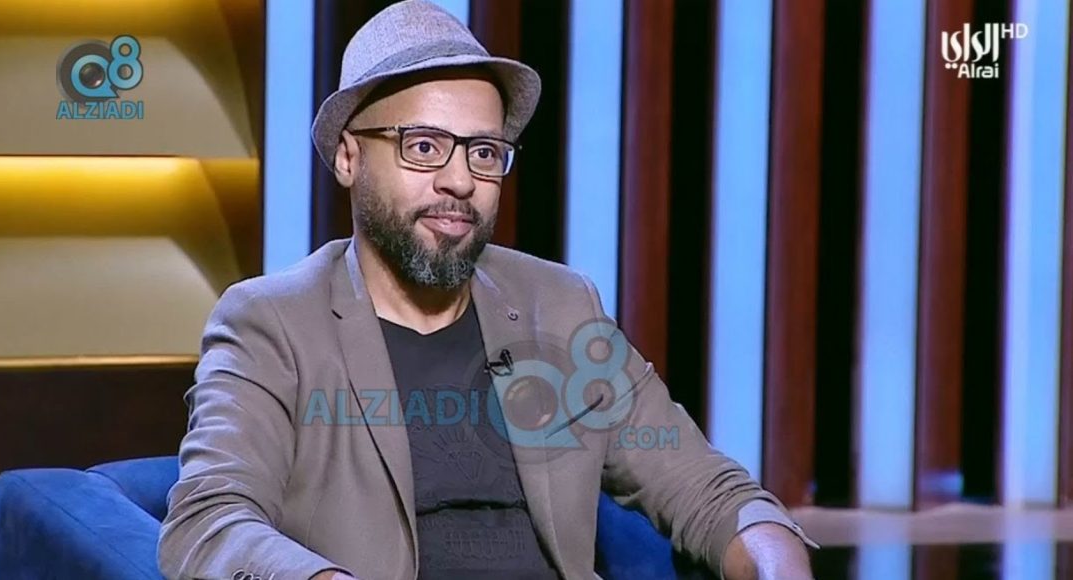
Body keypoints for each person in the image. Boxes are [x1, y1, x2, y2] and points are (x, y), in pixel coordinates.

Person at [158, 1, 818, 579]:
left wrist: (777, 561)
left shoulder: (559, 304)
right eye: (423, 146)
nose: (460, 180)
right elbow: (209, 522)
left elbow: (708, 491)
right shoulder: (271, 323)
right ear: (349, 157)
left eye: (483, 152)